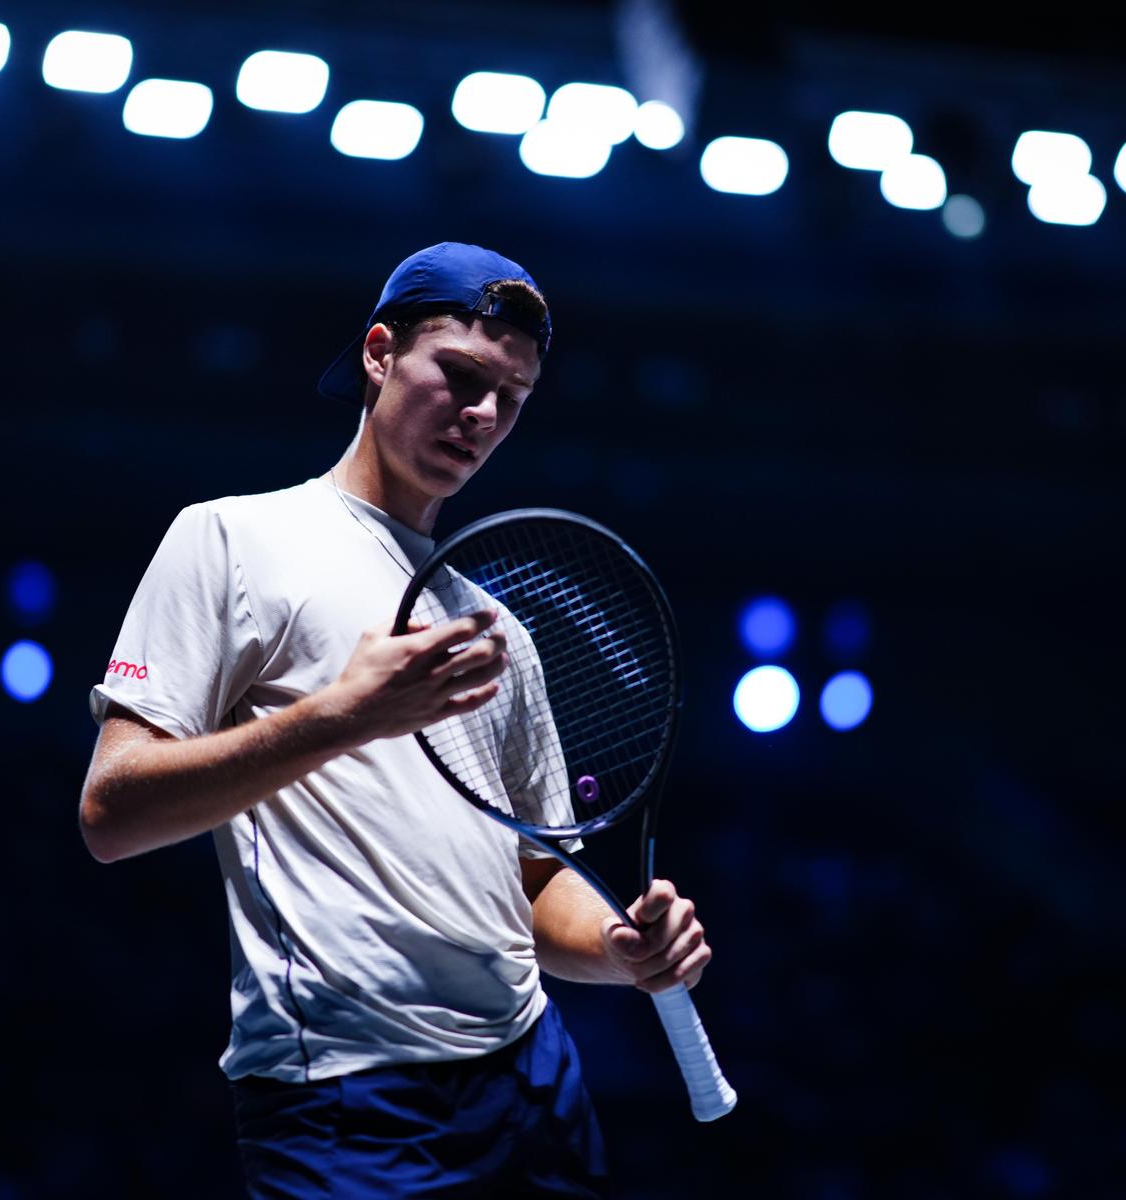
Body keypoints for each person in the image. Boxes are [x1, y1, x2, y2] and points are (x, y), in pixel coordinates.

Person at [79, 242, 713, 1197]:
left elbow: (534, 878)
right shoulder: (234, 539)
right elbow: (111, 814)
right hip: (345, 1096)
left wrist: (620, 950)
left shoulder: (494, 629)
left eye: (513, 395)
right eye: (459, 376)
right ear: (379, 353)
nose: (484, 415)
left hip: (534, 1083)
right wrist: (343, 715)